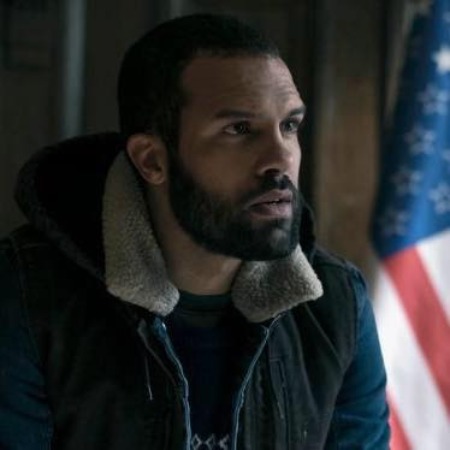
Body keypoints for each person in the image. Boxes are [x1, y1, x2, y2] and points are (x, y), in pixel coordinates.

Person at [0, 13, 389, 450]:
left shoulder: (336, 304)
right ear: (152, 160)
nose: (281, 159)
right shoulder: (29, 294)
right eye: (239, 129)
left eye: (289, 126)